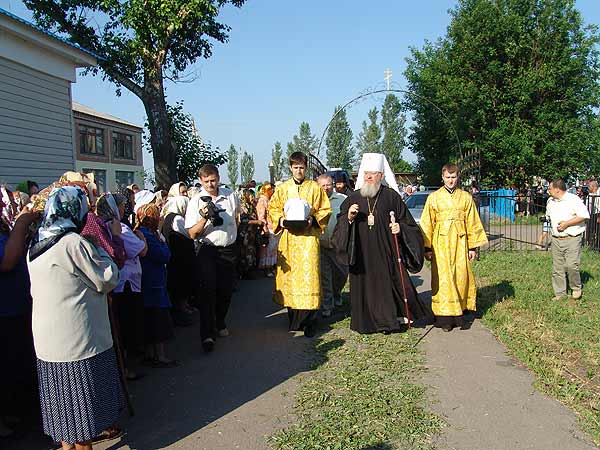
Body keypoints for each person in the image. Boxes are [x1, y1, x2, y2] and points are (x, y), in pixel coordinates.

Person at [27, 186, 123, 450]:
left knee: (64, 418)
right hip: (79, 344)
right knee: (81, 419)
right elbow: (108, 277)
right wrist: (99, 246)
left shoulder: (36, 243)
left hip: (49, 345)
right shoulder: (73, 244)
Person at [333, 153, 428, 334]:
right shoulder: (353, 199)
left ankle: (388, 322)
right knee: (365, 287)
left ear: (381, 176)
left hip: (386, 253)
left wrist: (399, 228)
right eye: (366, 173)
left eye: (373, 173)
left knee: (387, 286)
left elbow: (409, 224)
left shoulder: (391, 197)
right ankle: (367, 322)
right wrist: (349, 218)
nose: (368, 177)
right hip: (362, 255)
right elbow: (340, 226)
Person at [268, 152, 331, 337]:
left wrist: (313, 218)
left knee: (309, 278)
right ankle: (294, 320)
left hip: (308, 240)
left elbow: (325, 209)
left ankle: (310, 322)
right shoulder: (283, 188)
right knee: (291, 280)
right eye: (295, 167)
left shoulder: (314, 187)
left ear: (306, 168)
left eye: (302, 167)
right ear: (290, 168)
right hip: (289, 240)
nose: (299, 171)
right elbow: (273, 208)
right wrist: (280, 220)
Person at [419, 163, 488, 332]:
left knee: (460, 277)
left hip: (460, 243)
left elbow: (472, 221)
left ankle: (459, 314)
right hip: (440, 245)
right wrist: (427, 248)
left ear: (458, 178)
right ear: (442, 177)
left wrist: (472, 247)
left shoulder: (465, 197)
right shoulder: (433, 197)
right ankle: (444, 318)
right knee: (443, 279)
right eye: (447, 177)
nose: (450, 180)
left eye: (453, 177)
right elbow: (427, 223)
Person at [185, 164, 239, 352]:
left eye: (213, 180)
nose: (210, 184)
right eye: (206, 181)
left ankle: (219, 321)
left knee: (226, 290)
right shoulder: (196, 201)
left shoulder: (230, 195)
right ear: (201, 180)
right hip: (207, 250)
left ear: (218, 177)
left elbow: (236, 217)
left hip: (228, 249)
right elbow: (192, 233)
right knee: (207, 292)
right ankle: (207, 334)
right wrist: (205, 218)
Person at [0, 187, 39, 438]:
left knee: (15, 363)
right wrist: (22, 222)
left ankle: (11, 411)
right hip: (4, 309)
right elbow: (7, 261)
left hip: (17, 306)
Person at [110, 193, 148, 380]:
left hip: (124, 282)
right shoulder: (121, 228)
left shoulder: (118, 226)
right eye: (123, 205)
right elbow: (141, 250)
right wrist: (141, 237)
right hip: (125, 284)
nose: (126, 208)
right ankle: (125, 369)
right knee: (127, 327)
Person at [135, 204, 178, 367]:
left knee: (151, 318)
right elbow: (163, 255)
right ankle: (158, 356)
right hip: (153, 282)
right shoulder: (150, 235)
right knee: (157, 319)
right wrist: (162, 240)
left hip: (149, 281)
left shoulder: (142, 233)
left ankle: (150, 353)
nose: (159, 217)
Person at [545, 179, 589, 300]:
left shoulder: (573, 199)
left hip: (572, 238)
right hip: (556, 238)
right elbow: (548, 216)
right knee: (557, 268)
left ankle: (576, 288)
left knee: (571, 265)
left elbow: (584, 215)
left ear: (557, 189)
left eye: (550, 188)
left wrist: (567, 224)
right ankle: (560, 294)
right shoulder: (550, 201)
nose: (548, 190)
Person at [161, 194, 195, 326]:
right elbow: (189, 234)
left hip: (174, 256)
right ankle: (180, 313)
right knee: (180, 285)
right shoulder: (177, 219)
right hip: (180, 257)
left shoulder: (168, 217)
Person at [317, 174, 348, 318]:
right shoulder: (314, 201)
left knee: (341, 274)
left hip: (338, 246)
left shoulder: (342, 200)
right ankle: (327, 306)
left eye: (328, 185)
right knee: (325, 277)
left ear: (333, 184)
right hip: (321, 245)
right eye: (322, 185)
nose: (325, 188)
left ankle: (337, 294)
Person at [237, 189, 262, 278]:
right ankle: (245, 272)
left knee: (252, 251)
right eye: (251, 196)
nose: (253, 198)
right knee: (245, 252)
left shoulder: (251, 206)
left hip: (252, 233)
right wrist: (256, 222)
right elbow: (243, 220)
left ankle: (251, 269)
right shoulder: (243, 206)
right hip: (245, 233)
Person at [256, 183, 278, 276]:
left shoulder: (269, 200)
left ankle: (271, 267)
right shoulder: (262, 200)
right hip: (267, 228)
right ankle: (267, 269)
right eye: (272, 189)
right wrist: (265, 230)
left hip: (272, 226)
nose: (273, 191)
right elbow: (261, 217)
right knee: (267, 250)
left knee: (272, 249)